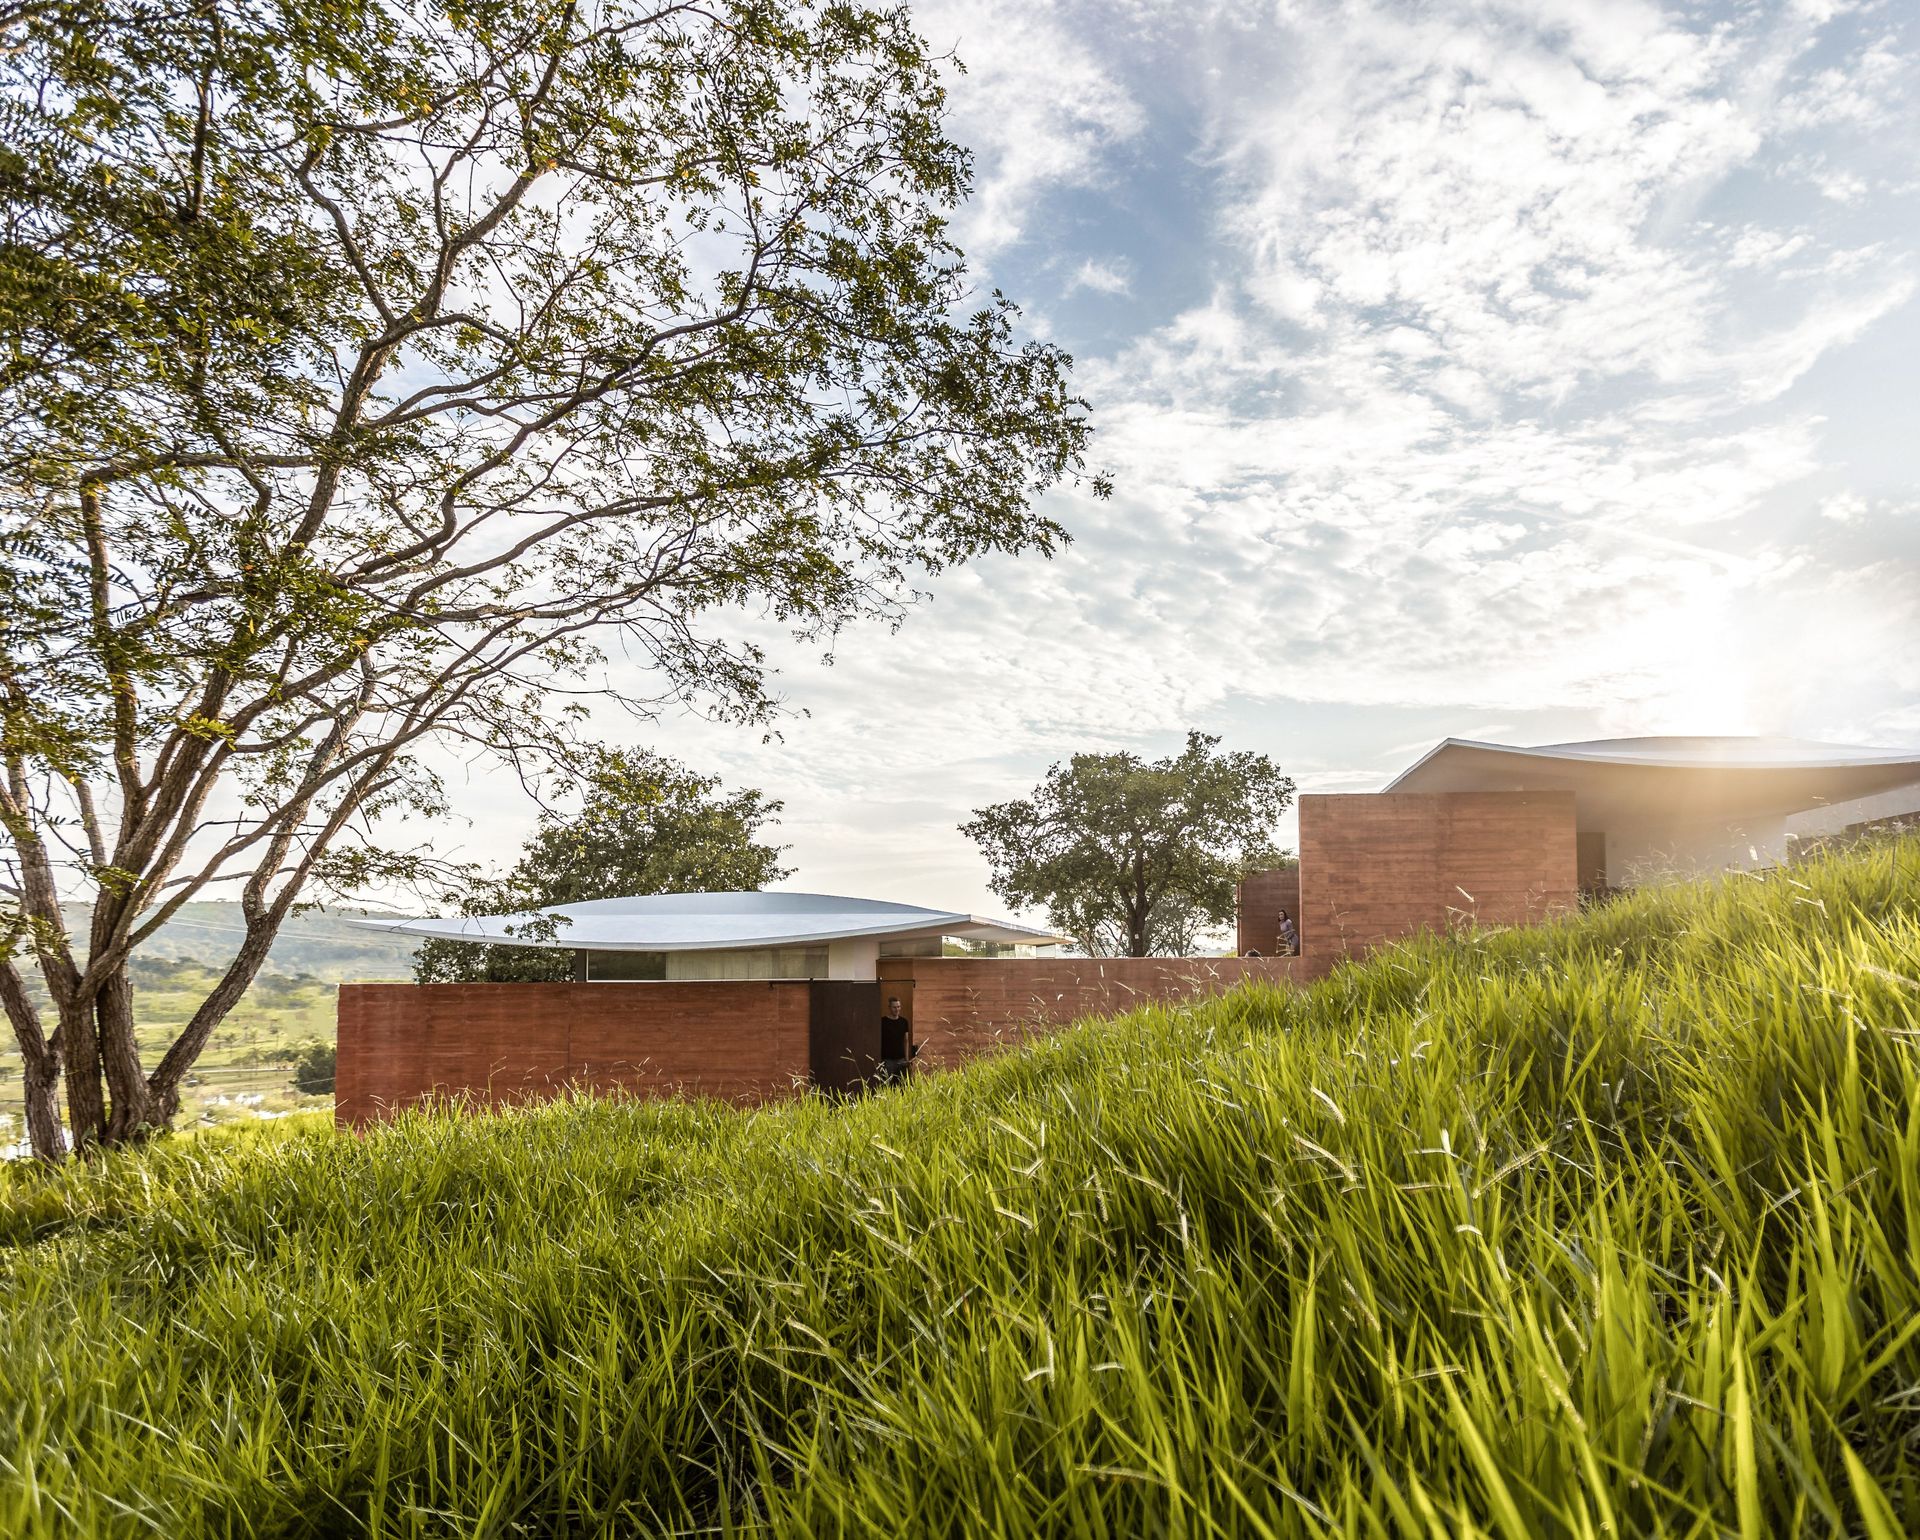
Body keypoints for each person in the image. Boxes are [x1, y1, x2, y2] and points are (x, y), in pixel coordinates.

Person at [878, 995, 916, 1085]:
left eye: (898, 1007)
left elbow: (906, 1040)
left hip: (901, 1059)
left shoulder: (904, 1021)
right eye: (894, 1007)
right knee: (886, 1085)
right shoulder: (883, 1022)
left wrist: (906, 1059)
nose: (897, 1009)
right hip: (887, 1060)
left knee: (903, 1084)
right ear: (889, 1008)